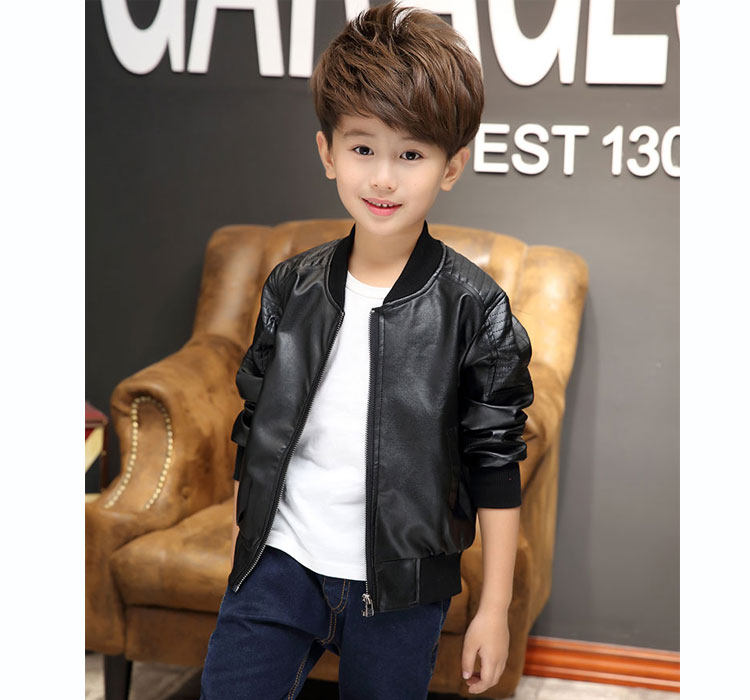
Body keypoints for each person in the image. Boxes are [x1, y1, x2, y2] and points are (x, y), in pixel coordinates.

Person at [199, 2, 534, 698]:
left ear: (451, 166)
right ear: (328, 153)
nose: (383, 178)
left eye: (410, 154)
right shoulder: (291, 285)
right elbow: (255, 420)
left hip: (402, 589)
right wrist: (246, 539)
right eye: (362, 150)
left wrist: (493, 609)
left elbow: (496, 465)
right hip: (278, 562)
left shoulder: (476, 308)